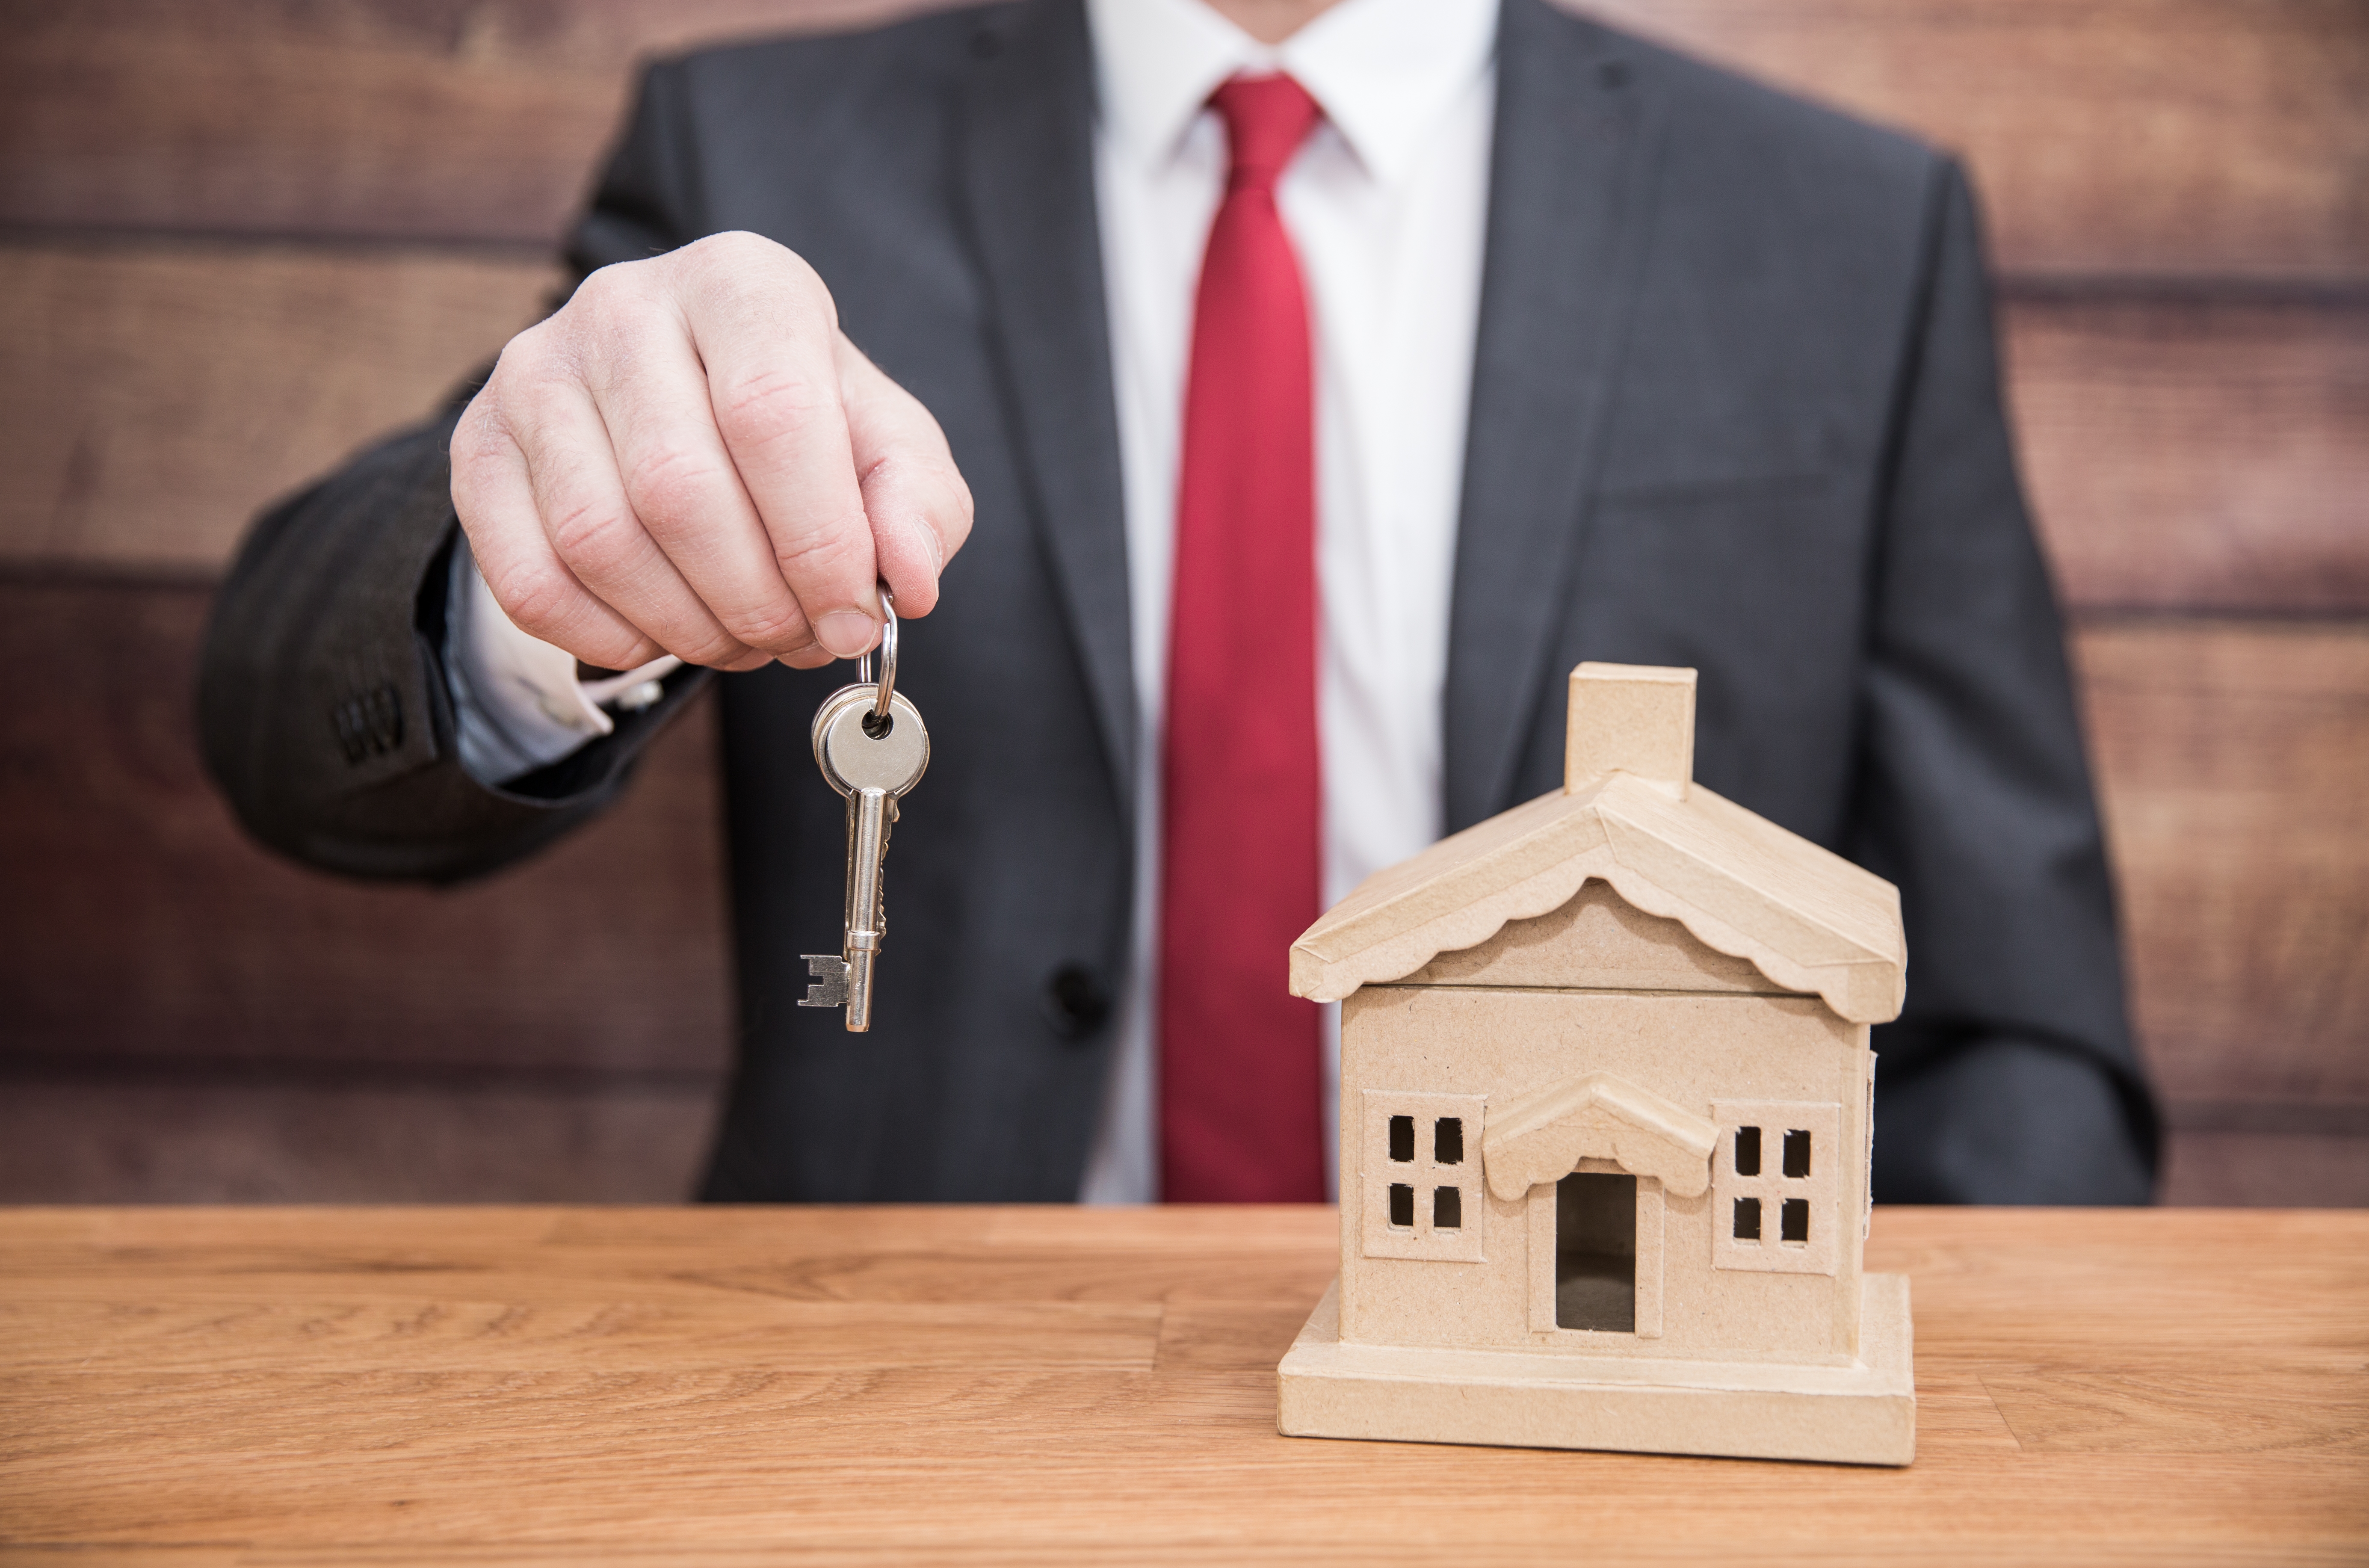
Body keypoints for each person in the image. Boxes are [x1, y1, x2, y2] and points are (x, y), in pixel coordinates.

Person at [198, 0, 2159, 1205]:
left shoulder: (1836, 223)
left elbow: (2023, 1040)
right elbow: (294, 730)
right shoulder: (757, 161)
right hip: (902, 1428)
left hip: (1610, 1439)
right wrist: (546, 587)